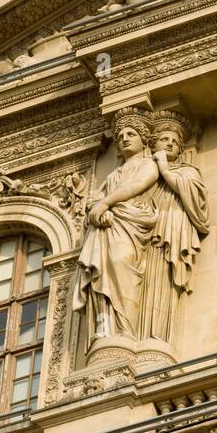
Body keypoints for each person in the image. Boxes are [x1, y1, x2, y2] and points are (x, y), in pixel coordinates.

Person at [72, 109, 160, 342]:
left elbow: (138, 185)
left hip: (131, 225)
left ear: (143, 140)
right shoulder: (114, 175)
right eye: (120, 136)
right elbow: (94, 201)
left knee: (121, 264)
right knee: (103, 274)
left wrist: (105, 204)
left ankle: (126, 331)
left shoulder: (148, 164)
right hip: (107, 228)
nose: (124, 138)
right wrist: (97, 209)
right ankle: (108, 331)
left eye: (131, 134)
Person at [139, 111, 209, 345]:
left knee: (163, 281)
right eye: (164, 139)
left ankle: (159, 337)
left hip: (171, 230)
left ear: (180, 150)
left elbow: (196, 203)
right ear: (153, 144)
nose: (170, 144)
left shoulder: (187, 172)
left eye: (175, 142)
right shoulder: (142, 174)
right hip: (145, 234)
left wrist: (165, 171)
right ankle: (145, 335)